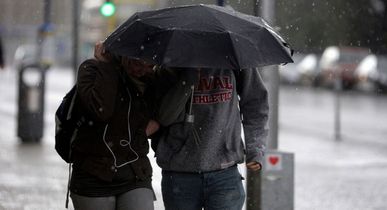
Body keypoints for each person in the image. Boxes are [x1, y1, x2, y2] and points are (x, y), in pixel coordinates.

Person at [153, 67, 269, 210]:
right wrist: (189, 76)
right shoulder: (171, 60)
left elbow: (256, 104)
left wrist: (255, 148)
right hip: (179, 173)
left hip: (225, 172)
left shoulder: (234, 55)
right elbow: (162, 116)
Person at [69, 41, 160, 210]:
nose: (141, 70)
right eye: (137, 63)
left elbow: (158, 119)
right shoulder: (92, 70)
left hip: (135, 172)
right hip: (94, 172)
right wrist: (106, 65)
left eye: (149, 66)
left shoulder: (150, 81)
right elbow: (101, 110)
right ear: (124, 54)